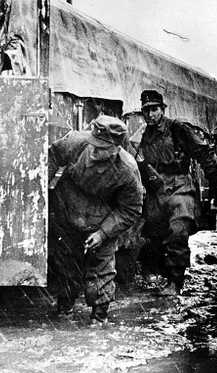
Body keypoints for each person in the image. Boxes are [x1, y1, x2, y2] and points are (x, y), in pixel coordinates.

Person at [48, 114, 144, 325]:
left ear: (116, 149)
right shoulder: (76, 142)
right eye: (93, 145)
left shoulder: (128, 171)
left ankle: (99, 318)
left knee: (102, 270)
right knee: (66, 267)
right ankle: (64, 310)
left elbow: (131, 209)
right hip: (68, 213)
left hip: (101, 221)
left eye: (101, 149)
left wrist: (103, 233)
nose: (94, 151)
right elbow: (52, 156)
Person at [137, 90, 217, 296]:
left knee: (178, 231)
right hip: (157, 190)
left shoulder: (177, 128)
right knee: (152, 233)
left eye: (154, 109)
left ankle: (175, 282)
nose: (150, 114)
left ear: (162, 109)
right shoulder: (146, 136)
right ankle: (160, 275)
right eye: (146, 110)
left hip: (179, 186)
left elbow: (205, 154)